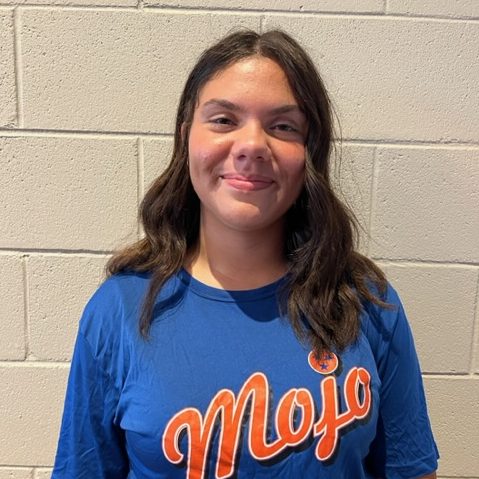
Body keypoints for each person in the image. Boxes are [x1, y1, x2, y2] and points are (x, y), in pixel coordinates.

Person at [51, 29, 439, 478]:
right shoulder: (119, 310)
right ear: (186, 137)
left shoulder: (366, 301)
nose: (252, 145)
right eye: (223, 120)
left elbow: (412, 470)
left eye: (283, 126)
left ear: (309, 151)